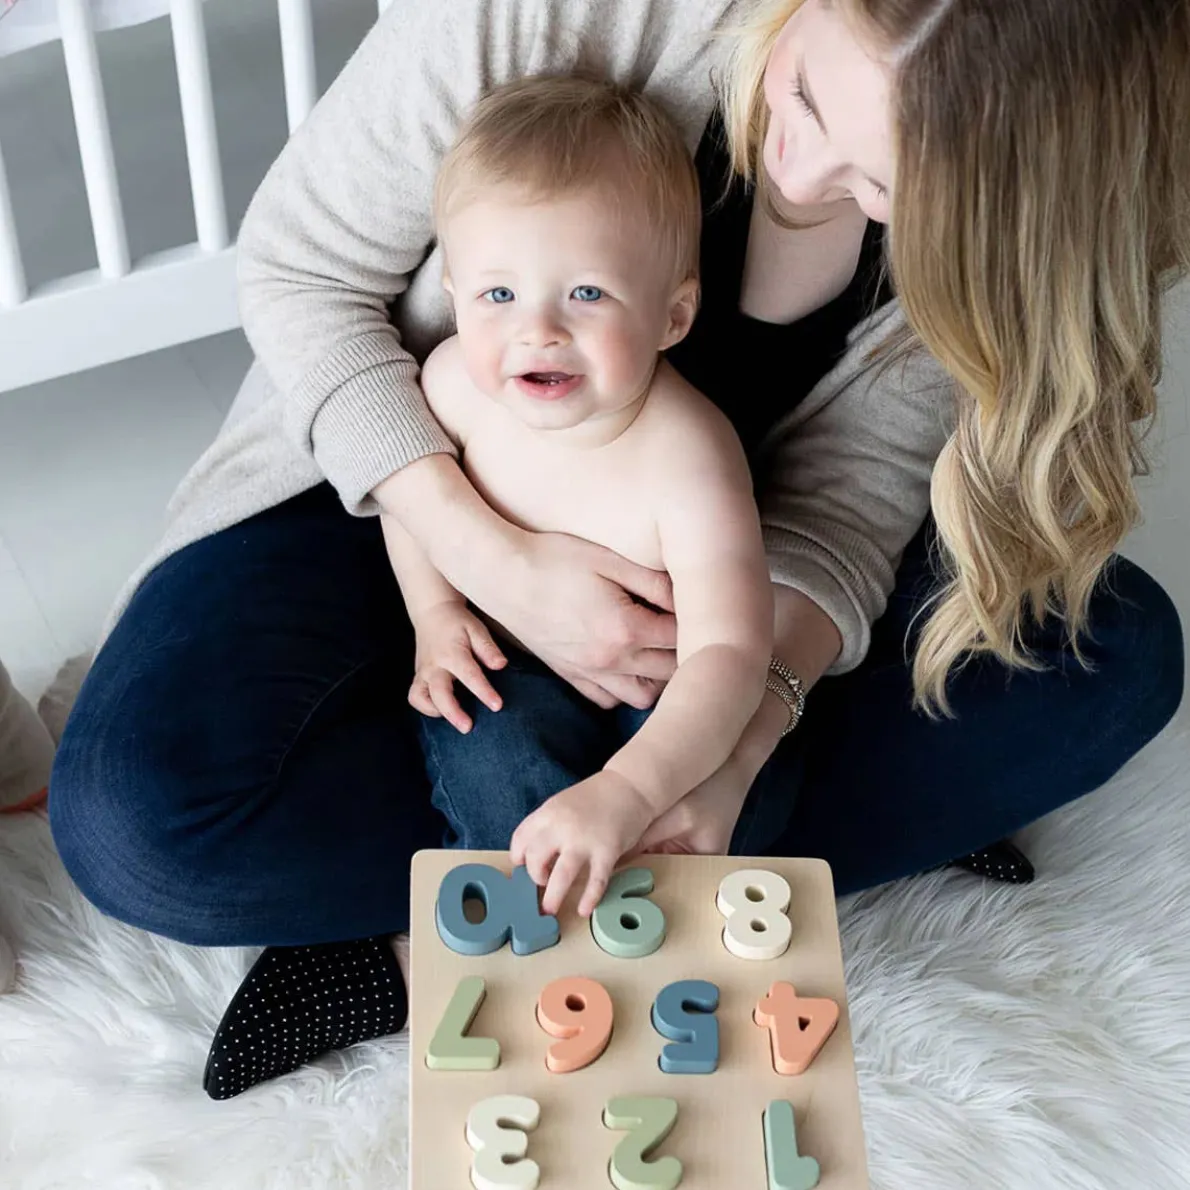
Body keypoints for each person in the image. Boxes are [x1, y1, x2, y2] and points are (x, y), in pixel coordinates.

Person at [48, 0, 1187, 1102]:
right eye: (797, 93)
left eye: (877, 185)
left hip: (727, 577)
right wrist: (487, 565)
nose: (795, 173)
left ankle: (438, 945)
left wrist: (730, 745)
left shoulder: (1008, 226)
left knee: (1113, 655)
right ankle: (770, 851)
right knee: (137, 823)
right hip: (401, 483)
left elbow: (850, 498)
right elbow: (303, 272)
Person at [391, 75, 799, 915]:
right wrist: (434, 615)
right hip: (511, 671)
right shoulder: (454, 390)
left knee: (742, 795)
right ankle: (523, 923)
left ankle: (652, 928)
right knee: (488, 756)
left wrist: (630, 789)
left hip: (665, 698)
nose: (537, 330)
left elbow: (730, 656)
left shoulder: (690, 455)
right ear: (456, 298)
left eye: (586, 293)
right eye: (498, 295)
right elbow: (409, 505)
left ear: (672, 317)